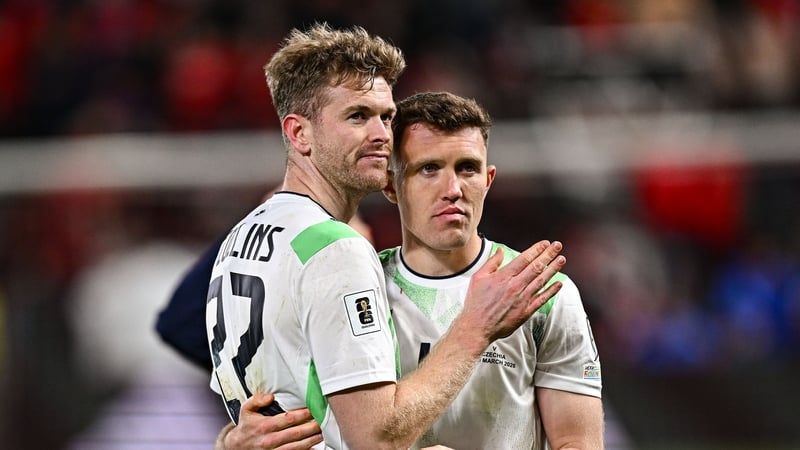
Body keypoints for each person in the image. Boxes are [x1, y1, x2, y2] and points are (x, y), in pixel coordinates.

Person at [202, 23, 566, 450]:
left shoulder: (241, 237)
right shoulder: (336, 250)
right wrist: (475, 329)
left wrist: (229, 442)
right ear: (299, 133)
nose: (381, 135)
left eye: (386, 116)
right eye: (358, 116)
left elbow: (262, 406)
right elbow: (377, 439)